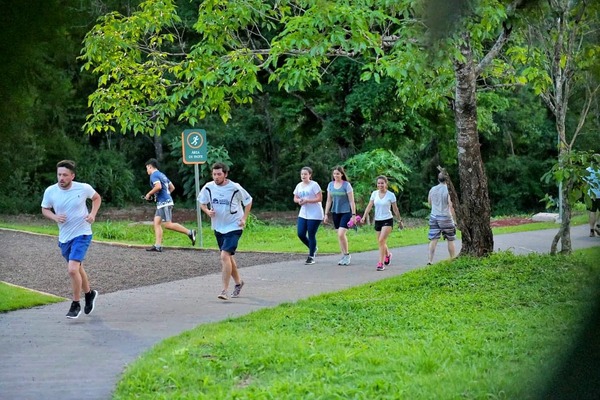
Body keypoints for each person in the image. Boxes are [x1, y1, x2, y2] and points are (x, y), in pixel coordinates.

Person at [41, 160, 102, 319]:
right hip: (64, 237)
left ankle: (75, 304)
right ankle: (89, 294)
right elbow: (45, 209)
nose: (61, 178)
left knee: (72, 269)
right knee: (77, 268)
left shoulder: (83, 188)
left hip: (82, 233)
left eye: (65, 175)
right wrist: (54, 217)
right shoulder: (51, 191)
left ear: (72, 176)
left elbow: (96, 198)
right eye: (59, 174)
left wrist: (93, 214)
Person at [198, 162, 252, 300]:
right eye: (214, 174)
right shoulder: (208, 187)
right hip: (218, 227)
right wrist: (207, 211)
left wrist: (244, 218)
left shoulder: (234, 187)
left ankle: (224, 290)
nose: (216, 177)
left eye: (219, 174)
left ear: (225, 174)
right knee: (228, 257)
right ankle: (239, 283)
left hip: (234, 226)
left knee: (224, 256)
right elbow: (202, 202)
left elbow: (248, 201)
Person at [144, 158, 196, 252]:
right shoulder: (162, 174)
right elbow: (172, 187)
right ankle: (158, 246)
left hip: (164, 203)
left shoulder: (153, 175)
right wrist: (163, 196)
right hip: (163, 202)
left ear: (150, 166)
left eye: (147, 168)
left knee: (168, 224)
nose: (147, 170)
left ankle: (190, 232)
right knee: (156, 223)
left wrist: (149, 194)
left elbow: (158, 186)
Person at [360, 175, 403, 271]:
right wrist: (364, 216)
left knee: (381, 240)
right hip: (378, 220)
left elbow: (395, 209)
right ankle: (388, 255)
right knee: (381, 241)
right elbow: (370, 205)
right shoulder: (374, 194)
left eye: (382, 183)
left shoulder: (390, 195)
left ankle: (381, 263)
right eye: (378, 183)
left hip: (387, 220)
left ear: (386, 184)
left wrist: (400, 220)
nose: (380, 185)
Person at [323, 166, 357, 266]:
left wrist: (353, 215)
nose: (336, 175)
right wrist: (325, 214)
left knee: (341, 234)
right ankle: (343, 255)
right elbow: (329, 200)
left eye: (338, 173)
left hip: (346, 212)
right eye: (334, 174)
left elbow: (351, 201)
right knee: (339, 235)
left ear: (342, 174)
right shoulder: (330, 185)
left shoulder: (347, 185)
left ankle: (347, 255)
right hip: (335, 212)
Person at [293, 166, 324, 265]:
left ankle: (311, 256)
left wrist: (307, 200)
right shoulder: (299, 186)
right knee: (301, 233)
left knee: (311, 234)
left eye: (305, 174)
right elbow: (295, 197)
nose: (303, 176)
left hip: (315, 213)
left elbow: (319, 198)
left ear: (310, 175)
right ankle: (313, 248)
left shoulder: (314, 185)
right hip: (303, 213)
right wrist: (299, 201)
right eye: (302, 174)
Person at [427, 172, 457, 264]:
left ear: (438, 179)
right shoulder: (448, 190)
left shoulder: (432, 189)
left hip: (434, 216)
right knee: (450, 239)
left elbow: (429, 202)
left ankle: (430, 260)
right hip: (445, 217)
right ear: (447, 179)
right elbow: (451, 205)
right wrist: (455, 220)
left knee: (434, 239)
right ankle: (452, 259)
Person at [584, 165, 600, 237]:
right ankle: (598, 226)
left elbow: (585, 183)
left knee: (592, 211)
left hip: (591, 194)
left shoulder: (587, 170)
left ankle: (591, 231)